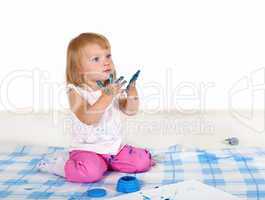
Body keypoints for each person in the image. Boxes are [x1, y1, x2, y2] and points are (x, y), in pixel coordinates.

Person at [38, 32, 154, 183]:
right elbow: (89, 118)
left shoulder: (110, 86)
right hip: (87, 149)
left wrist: (132, 93)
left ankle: (107, 164)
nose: (106, 62)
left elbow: (130, 110)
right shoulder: (76, 91)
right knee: (90, 173)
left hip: (113, 148)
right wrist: (107, 96)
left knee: (143, 161)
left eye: (108, 56)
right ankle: (60, 166)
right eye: (96, 59)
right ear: (79, 69)